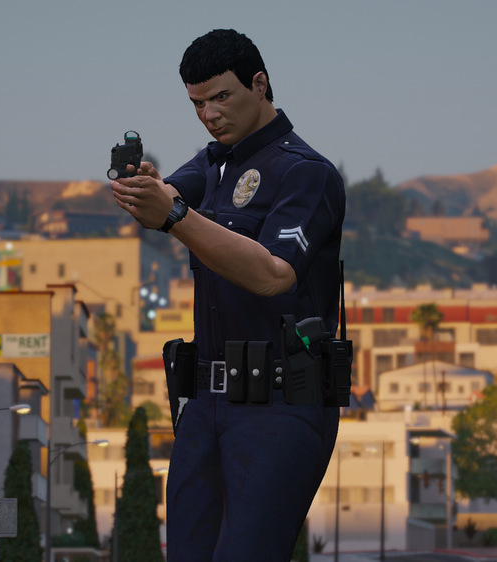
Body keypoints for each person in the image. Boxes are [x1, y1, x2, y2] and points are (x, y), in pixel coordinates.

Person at [110, 29, 345, 561]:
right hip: (205, 406)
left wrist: (174, 214)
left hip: (280, 404)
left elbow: (273, 275)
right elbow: (170, 194)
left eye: (221, 97)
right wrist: (147, 191)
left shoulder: (307, 174)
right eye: (197, 103)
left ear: (259, 84)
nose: (210, 115)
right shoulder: (214, 162)